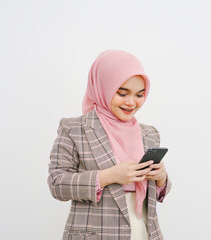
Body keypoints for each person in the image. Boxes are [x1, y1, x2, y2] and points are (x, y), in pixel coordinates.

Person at [48, 50, 171, 240]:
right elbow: (57, 184)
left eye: (139, 95)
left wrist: (162, 178)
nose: (131, 102)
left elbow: (156, 194)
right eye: (122, 93)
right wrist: (108, 176)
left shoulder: (150, 134)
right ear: (103, 87)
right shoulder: (74, 129)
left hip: (145, 233)